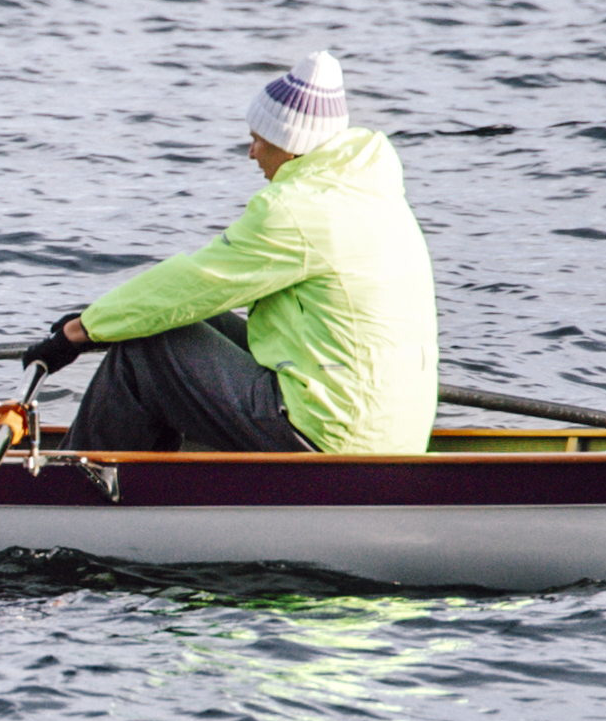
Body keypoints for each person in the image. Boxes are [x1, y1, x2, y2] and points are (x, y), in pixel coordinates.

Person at [31, 45, 437, 452]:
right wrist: (108, 323)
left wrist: (79, 331)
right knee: (163, 320)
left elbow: (193, 283)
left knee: (149, 345)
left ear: (291, 145)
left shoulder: (296, 210)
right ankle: (147, 472)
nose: (251, 152)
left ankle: (75, 488)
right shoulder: (373, 191)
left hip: (333, 441)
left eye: (258, 139)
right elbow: (184, 302)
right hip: (392, 432)